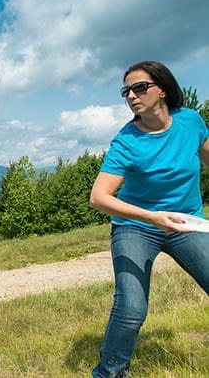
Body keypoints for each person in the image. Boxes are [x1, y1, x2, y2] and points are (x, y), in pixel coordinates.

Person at [89, 60, 209, 377]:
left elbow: (207, 156)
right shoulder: (127, 141)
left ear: (164, 90)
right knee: (131, 307)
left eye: (139, 87)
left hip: (186, 223)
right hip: (136, 227)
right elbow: (98, 197)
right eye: (126, 90)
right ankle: (109, 372)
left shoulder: (191, 122)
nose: (131, 95)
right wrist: (152, 217)